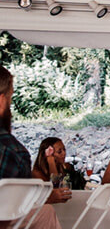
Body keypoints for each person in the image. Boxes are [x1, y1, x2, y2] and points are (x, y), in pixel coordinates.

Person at [0, 65, 68, 229]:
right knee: (46, 212)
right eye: (10, 98)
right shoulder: (13, 151)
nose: (63, 153)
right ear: (2, 102)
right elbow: (8, 211)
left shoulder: (66, 167)